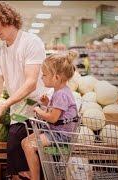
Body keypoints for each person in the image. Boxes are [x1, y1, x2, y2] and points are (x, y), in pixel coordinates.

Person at [0, 2, 48, 179]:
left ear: (9, 19)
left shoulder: (31, 42)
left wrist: (4, 104)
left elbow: (31, 83)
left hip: (38, 109)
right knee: (14, 152)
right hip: (17, 109)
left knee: (22, 151)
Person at [21, 51, 79, 180]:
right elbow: (58, 112)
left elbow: (53, 118)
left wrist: (38, 110)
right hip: (56, 131)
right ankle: (34, 173)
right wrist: (47, 103)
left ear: (57, 77)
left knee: (29, 146)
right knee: (25, 142)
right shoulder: (61, 91)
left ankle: (34, 177)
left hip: (61, 136)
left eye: (45, 75)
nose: (42, 78)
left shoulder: (61, 94)